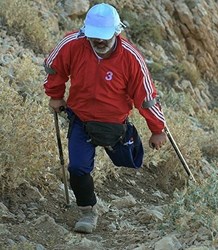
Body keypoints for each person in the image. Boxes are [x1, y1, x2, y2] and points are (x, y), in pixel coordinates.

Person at [43, 3, 167, 234]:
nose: (98, 41)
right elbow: (54, 67)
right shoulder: (73, 44)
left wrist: (157, 129)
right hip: (81, 119)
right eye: (93, 36)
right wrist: (55, 96)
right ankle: (88, 211)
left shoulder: (131, 58)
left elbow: (147, 97)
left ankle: (128, 142)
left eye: (103, 37)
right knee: (78, 167)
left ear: (117, 32)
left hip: (114, 125)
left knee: (130, 162)